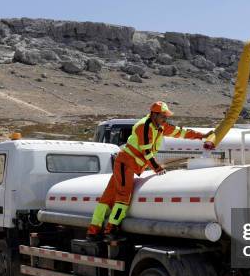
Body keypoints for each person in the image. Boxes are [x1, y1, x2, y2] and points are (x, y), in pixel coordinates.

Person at [86, 101, 212, 241]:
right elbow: (146, 152)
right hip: (125, 163)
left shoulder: (161, 126)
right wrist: (157, 168)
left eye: (166, 116)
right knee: (123, 197)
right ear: (154, 115)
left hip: (129, 164)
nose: (165, 119)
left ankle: (93, 232)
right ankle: (110, 230)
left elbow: (180, 132)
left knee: (108, 197)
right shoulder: (143, 126)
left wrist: (201, 135)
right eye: (163, 116)